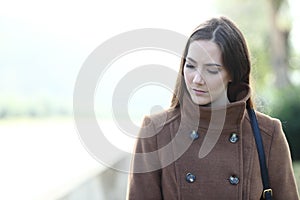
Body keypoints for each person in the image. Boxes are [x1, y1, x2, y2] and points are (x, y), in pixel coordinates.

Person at [126, 16, 299, 199]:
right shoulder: (156, 131)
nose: (197, 80)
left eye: (212, 70)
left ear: (233, 73)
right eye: (191, 66)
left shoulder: (268, 134)